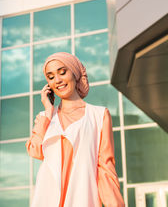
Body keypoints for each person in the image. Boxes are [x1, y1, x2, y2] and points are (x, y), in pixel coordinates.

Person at [26, 52, 125, 207]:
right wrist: (47, 111)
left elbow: (105, 170)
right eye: (51, 77)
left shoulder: (98, 116)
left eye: (62, 72)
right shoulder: (45, 117)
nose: (57, 80)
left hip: (83, 199)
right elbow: (36, 151)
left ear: (75, 73)